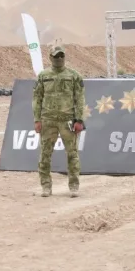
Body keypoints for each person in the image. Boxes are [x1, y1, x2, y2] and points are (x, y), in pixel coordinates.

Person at [32, 45, 85, 197]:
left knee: (72, 154)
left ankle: (74, 185)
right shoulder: (43, 76)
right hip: (48, 121)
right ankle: (46, 186)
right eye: (56, 57)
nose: (59, 59)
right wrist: (37, 119)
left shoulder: (74, 75)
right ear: (50, 58)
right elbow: (37, 98)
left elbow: (79, 99)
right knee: (45, 155)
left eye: (61, 56)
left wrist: (79, 119)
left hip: (67, 120)